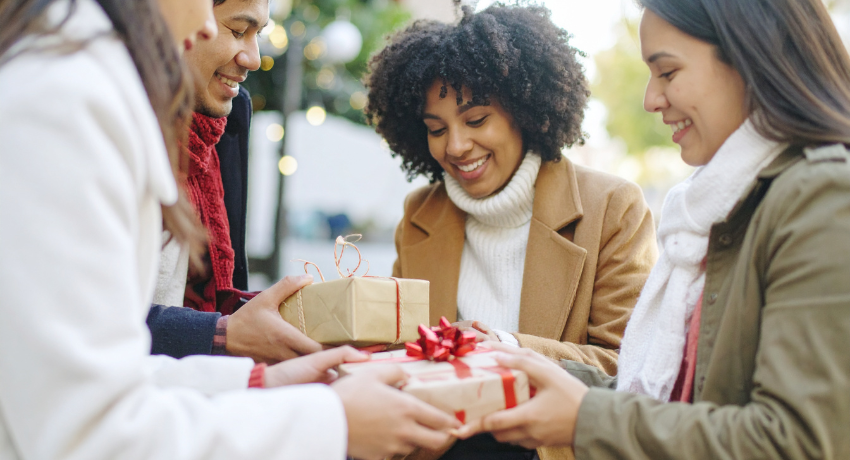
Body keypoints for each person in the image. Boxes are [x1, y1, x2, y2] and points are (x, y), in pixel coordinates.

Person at [0, 0, 459, 458]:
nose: (205, 24)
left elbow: (107, 371)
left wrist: (256, 382)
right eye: (232, 26)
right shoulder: (67, 101)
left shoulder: (92, 88)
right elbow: (88, 433)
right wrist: (330, 421)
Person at [455, 0, 850, 458]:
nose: (651, 100)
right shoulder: (721, 208)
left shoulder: (822, 197)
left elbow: (798, 442)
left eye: (667, 72)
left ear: (751, 57)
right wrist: (521, 363)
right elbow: (677, 396)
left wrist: (586, 418)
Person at [363, 3, 658, 458]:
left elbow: (628, 367)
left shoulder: (613, 207)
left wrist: (502, 347)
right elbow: (402, 350)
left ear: (523, 110)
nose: (456, 146)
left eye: (476, 120)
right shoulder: (420, 213)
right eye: (436, 129)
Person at [147, 0, 321, 364]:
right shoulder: (103, 117)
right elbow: (89, 320)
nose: (254, 59)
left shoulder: (226, 119)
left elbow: (217, 294)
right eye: (238, 31)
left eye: (259, 34)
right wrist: (223, 333)